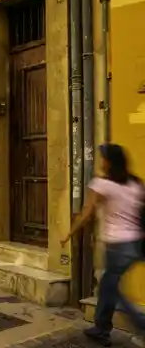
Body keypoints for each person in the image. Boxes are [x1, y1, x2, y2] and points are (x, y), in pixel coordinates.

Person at [62, 143, 145, 346]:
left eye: (103, 158)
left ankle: (141, 325)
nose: (101, 162)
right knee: (108, 288)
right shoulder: (135, 183)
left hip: (116, 246)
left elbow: (87, 212)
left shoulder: (102, 184)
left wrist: (69, 233)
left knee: (113, 291)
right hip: (135, 243)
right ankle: (101, 329)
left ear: (109, 162)